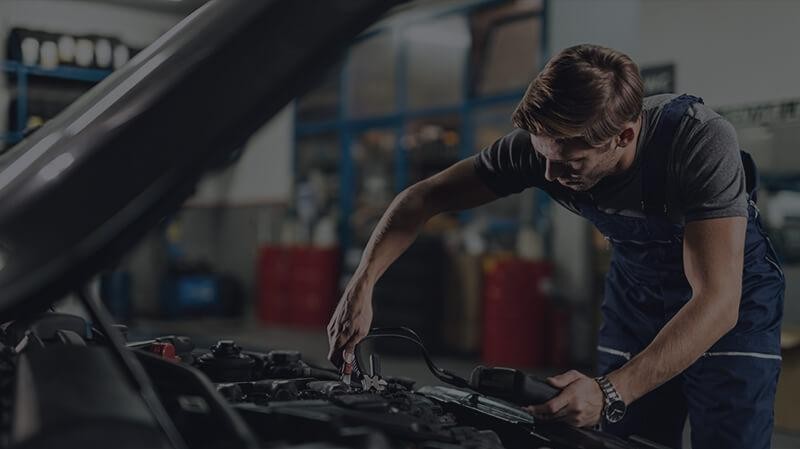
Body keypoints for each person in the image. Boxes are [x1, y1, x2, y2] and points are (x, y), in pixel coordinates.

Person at [326, 44, 783, 449]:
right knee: (624, 440)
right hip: (637, 298)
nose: (548, 176)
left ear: (623, 136)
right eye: (543, 156)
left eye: (569, 162)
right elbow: (421, 198)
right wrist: (361, 284)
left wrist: (609, 390)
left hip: (732, 304)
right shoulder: (540, 150)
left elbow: (719, 301)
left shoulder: (698, 141)